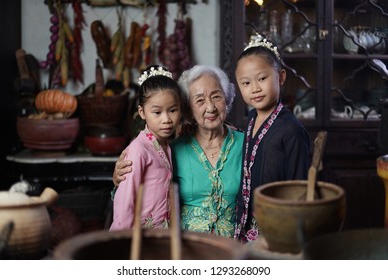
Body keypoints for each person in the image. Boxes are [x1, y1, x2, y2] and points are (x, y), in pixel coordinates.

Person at [113, 65, 244, 238]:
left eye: (216, 97)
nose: (211, 107)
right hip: (183, 248)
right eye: (199, 100)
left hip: (232, 247)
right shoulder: (172, 149)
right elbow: (131, 199)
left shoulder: (246, 144)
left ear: (226, 100)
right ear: (188, 109)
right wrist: (117, 180)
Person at [233, 34, 311, 242]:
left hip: (277, 224)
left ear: (281, 77)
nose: (255, 88)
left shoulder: (291, 130)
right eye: (246, 83)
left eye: (262, 78)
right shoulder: (250, 119)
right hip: (245, 222)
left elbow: (299, 187)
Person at [109, 65, 182, 231]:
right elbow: (125, 201)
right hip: (136, 235)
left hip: (162, 232)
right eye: (157, 112)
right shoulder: (138, 150)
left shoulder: (167, 145)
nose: (166, 119)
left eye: (172, 110)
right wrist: (123, 239)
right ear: (142, 112)